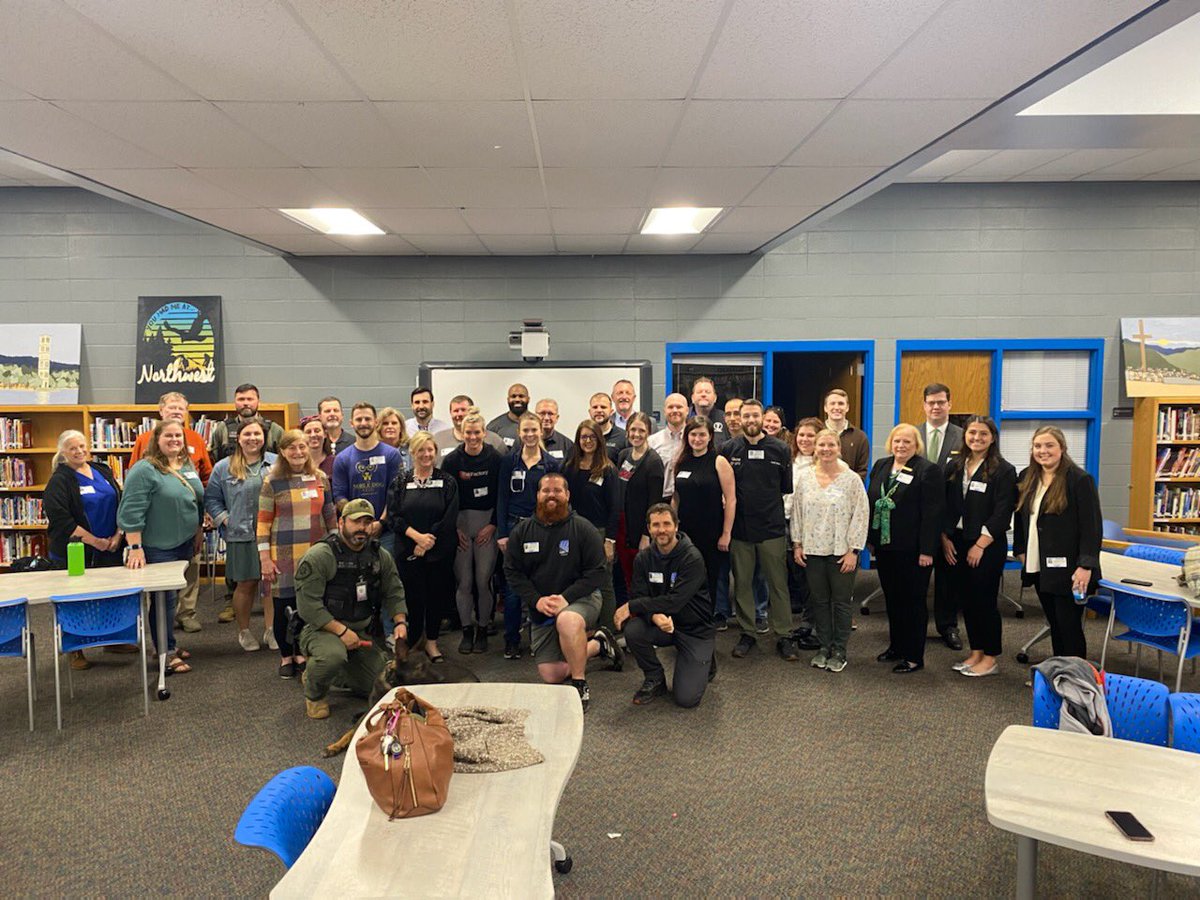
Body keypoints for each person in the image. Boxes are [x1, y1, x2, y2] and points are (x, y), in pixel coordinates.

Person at [502, 473, 619, 712]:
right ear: (537, 495)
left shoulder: (583, 529)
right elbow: (512, 572)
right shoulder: (522, 532)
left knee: (567, 620)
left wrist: (566, 598)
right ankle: (598, 644)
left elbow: (597, 572)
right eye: (546, 491)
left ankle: (579, 683)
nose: (551, 495)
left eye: (557, 490)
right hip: (542, 607)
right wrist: (536, 601)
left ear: (567, 495)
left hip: (581, 599)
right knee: (551, 674)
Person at [294, 499, 408, 720]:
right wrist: (342, 632)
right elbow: (308, 607)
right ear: (341, 522)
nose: (362, 528)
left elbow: (394, 590)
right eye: (356, 522)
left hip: (360, 633)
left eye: (367, 522)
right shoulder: (320, 555)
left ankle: (337, 672)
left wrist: (400, 622)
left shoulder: (379, 555)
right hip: (322, 631)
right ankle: (315, 689)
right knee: (331, 656)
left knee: (384, 687)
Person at [118, 419, 204, 674]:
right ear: (156, 439)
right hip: (157, 547)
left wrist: (198, 530)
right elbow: (132, 511)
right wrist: (135, 547)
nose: (174, 440)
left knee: (172, 598)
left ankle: (168, 644)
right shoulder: (144, 470)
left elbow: (195, 500)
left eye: (178, 435)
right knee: (162, 601)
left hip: (184, 543)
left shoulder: (186, 464)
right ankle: (163, 653)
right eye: (168, 436)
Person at [1013, 426, 1102, 660]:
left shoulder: (1079, 480)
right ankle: (1058, 676)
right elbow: (1021, 515)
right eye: (1038, 446)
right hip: (1040, 564)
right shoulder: (1027, 477)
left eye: (1049, 445)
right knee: (1055, 623)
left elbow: (1092, 527)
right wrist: (1020, 550)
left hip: (1070, 569)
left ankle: (1077, 681)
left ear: (1062, 448)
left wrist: (1085, 566)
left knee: (1069, 626)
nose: (1043, 451)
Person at [616, 503, 717, 707]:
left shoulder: (692, 557)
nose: (661, 530)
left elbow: (675, 601)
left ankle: (706, 659)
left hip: (694, 630)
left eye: (666, 524)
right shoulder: (643, 558)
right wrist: (653, 616)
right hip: (662, 626)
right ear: (649, 528)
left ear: (676, 526)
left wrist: (632, 606)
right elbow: (639, 593)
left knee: (686, 699)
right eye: (655, 525)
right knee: (634, 630)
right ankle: (655, 678)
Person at [128, 390, 213, 632]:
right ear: (160, 411)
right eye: (171, 408)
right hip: (158, 530)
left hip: (189, 525)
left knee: (190, 570)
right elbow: (136, 478)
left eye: (181, 409)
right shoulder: (144, 440)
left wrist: (203, 513)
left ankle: (186, 613)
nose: (176, 412)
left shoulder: (195, 439)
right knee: (161, 587)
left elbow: (205, 476)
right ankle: (162, 634)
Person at [942, 416, 1018, 677]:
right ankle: (976, 652)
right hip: (958, 542)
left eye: (983, 434)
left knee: (985, 601)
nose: (976, 438)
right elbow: (945, 505)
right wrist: (945, 537)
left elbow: (1002, 512)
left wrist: (980, 544)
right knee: (968, 600)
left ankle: (991, 657)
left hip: (986, 545)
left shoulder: (1003, 470)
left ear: (992, 438)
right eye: (972, 433)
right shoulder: (955, 466)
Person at [258, 429, 337, 679]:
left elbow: (330, 514)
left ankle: (303, 652)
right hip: (282, 553)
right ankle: (286, 655)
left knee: (310, 605)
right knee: (284, 605)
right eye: (291, 448)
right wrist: (264, 559)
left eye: (302, 447)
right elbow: (262, 523)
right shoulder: (272, 481)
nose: (298, 452)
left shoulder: (320, 477)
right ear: (282, 451)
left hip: (315, 551)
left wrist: (335, 543)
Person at [720, 400, 796, 661]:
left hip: (772, 528)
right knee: (742, 584)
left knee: (778, 585)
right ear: (739, 419)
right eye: (746, 416)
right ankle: (748, 633)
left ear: (762, 418)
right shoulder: (728, 449)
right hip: (740, 530)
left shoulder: (781, 449)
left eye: (755, 415)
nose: (751, 420)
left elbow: (786, 487)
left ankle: (785, 635)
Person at [43, 430, 124, 671]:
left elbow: (121, 501)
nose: (79, 451)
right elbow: (61, 520)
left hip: (111, 545)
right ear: (63, 453)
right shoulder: (60, 480)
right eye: (72, 448)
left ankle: (113, 640)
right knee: (75, 599)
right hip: (76, 550)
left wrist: (118, 534)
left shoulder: (102, 470)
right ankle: (74, 649)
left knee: (112, 594)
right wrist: (94, 541)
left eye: (82, 446)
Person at [867, 424, 943, 674]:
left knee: (913, 602)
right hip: (886, 547)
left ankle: (913, 655)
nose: (901, 446)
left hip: (913, 549)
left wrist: (927, 550)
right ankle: (896, 647)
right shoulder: (881, 465)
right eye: (897, 441)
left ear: (916, 445)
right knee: (893, 599)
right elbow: (872, 501)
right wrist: (871, 539)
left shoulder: (927, 470)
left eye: (907, 442)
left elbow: (932, 514)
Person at [790, 430, 869, 672]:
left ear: (839, 448)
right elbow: (797, 512)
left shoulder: (851, 479)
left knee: (841, 603)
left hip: (841, 552)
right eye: (821, 445)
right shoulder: (805, 478)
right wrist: (797, 544)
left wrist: (853, 551)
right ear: (815, 448)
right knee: (820, 602)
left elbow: (861, 515)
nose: (826, 449)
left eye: (831, 445)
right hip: (813, 551)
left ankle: (839, 650)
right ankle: (824, 647)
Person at [205, 417, 278, 653]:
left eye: (257, 434)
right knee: (245, 584)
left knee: (271, 583)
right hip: (241, 534)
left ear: (264, 437)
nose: (252, 438)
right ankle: (244, 631)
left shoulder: (276, 463)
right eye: (247, 434)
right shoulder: (223, 467)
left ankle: (271, 630)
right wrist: (226, 520)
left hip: (273, 534)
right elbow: (212, 500)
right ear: (239, 438)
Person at [386, 432, 459, 662]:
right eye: (421, 450)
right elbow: (394, 517)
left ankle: (432, 643)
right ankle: (415, 642)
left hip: (439, 550)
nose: (426, 455)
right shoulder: (401, 482)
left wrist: (428, 542)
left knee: (436, 597)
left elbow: (449, 516)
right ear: (413, 453)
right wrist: (417, 538)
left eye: (430, 450)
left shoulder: (447, 481)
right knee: (413, 599)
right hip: (408, 549)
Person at [496, 412, 561, 659]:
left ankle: (540, 639)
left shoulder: (550, 464)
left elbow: (554, 500)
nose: (530, 434)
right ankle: (511, 640)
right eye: (526, 430)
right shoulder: (508, 462)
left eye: (534, 430)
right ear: (519, 433)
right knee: (513, 587)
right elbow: (502, 498)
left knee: (541, 583)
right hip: (513, 528)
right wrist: (502, 533)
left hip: (541, 528)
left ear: (541, 431)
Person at [442, 411, 502, 654]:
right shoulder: (452, 461)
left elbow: (502, 496)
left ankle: (482, 628)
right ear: (462, 434)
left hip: (487, 523)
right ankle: (467, 630)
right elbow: (446, 499)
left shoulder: (495, 458)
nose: (473, 437)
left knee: (482, 580)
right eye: (468, 432)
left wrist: (493, 525)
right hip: (461, 526)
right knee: (464, 582)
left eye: (477, 432)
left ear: (484, 433)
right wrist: (454, 528)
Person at [671, 416, 735, 628]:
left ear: (710, 437)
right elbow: (676, 497)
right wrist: (672, 527)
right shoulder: (681, 461)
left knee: (709, 577)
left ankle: (705, 623)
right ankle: (686, 621)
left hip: (711, 531)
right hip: (686, 531)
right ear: (687, 437)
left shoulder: (719, 461)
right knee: (686, 576)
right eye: (693, 434)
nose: (697, 439)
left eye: (702, 434)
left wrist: (726, 533)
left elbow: (731, 499)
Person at [919, 382, 966, 651]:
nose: (936, 407)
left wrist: (946, 530)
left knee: (949, 580)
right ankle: (916, 626)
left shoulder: (964, 437)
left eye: (941, 402)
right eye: (931, 402)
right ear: (924, 405)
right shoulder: (911, 435)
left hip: (951, 521)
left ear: (949, 404)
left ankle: (948, 626)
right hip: (920, 522)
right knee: (918, 578)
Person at [564, 419, 620, 632]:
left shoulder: (608, 470)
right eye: (583, 437)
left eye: (592, 437)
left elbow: (615, 509)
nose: (588, 441)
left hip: (599, 533)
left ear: (599, 440)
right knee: (576, 582)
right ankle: (580, 629)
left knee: (604, 584)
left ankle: (607, 633)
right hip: (574, 531)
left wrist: (610, 541)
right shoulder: (569, 468)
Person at [331, 402, 403, 558]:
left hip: (386, 533)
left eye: (367, 419)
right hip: (353, 534)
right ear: (351, 423)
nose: (363, 423)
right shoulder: (342, 459)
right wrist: (359, 524)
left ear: (376, 422)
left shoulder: (391, 455)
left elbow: (396, 493)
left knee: (386, 578)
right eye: (359, 419)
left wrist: (381, 523)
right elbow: (339, 496)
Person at [616, 412, 665, 589]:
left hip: (640, 527)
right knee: (625, 573)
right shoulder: (623, 455)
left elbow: (655, 504)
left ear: (648, 433)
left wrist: (647, 535)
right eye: (633, 430)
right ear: (627, 431)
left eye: (641, 430)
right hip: (623, 524)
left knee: (640, 575)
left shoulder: (653, 462)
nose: (636, 434)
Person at [208, 383, 283, 462]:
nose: (246, 403)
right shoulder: (223, 429)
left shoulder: (274, 430)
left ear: (258, 401)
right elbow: (214, 460)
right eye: (241, 399)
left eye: (250, 399)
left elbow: (283, 462)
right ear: (235, 402)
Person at [433, 396, 506, 455]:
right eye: (456, 411)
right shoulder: (438, 439)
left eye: (463, 410)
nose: (459, 414)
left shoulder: (494, 440)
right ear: (450, 413)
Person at [823, 388, 869, 481]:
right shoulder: (817, 434)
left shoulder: (860, 437)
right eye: (832, 403)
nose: (836, 407)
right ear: (825, 408)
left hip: (849, 491)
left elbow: (862, 471)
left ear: (847, 407)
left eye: (841, 403)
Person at [648, 393, 688, 498]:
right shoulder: (651, 442)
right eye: (670, 407)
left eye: (679, 407)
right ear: (664, 411)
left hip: (687, 500)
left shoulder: (694, 441)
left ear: (687, 410)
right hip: (660, 500)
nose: (675, 410)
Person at [487, 383, 531, 449]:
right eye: (513, 396)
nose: (517, 399)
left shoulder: (538, 424)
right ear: (508, 400)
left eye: (521, 396)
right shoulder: (494, 426)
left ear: (528, 399)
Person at [589, 392, 627, 463]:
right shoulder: (584, 437)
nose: (599, 410)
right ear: (590, 412)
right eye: (595, 407)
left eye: (603, 407)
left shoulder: (623, 437)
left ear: (611, 412)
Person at [689, 376, 727, 443]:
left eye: (707, 392)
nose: (703, 394)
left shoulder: (725, 419)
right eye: (699, 392)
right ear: (692, 398)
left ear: (715, 398)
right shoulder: (684, 419)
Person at [375, 406, 413, 471]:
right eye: (385, 424)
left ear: (401, 427)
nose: (390, 426)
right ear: (379, 428)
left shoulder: (412, 449)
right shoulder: (373, 451)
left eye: (394, 423)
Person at [301, 415, 336, 480]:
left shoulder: (335, 462)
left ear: (325, 434)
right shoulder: (299, 462)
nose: (313, 435)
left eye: (317, 431)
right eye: (308, 432)